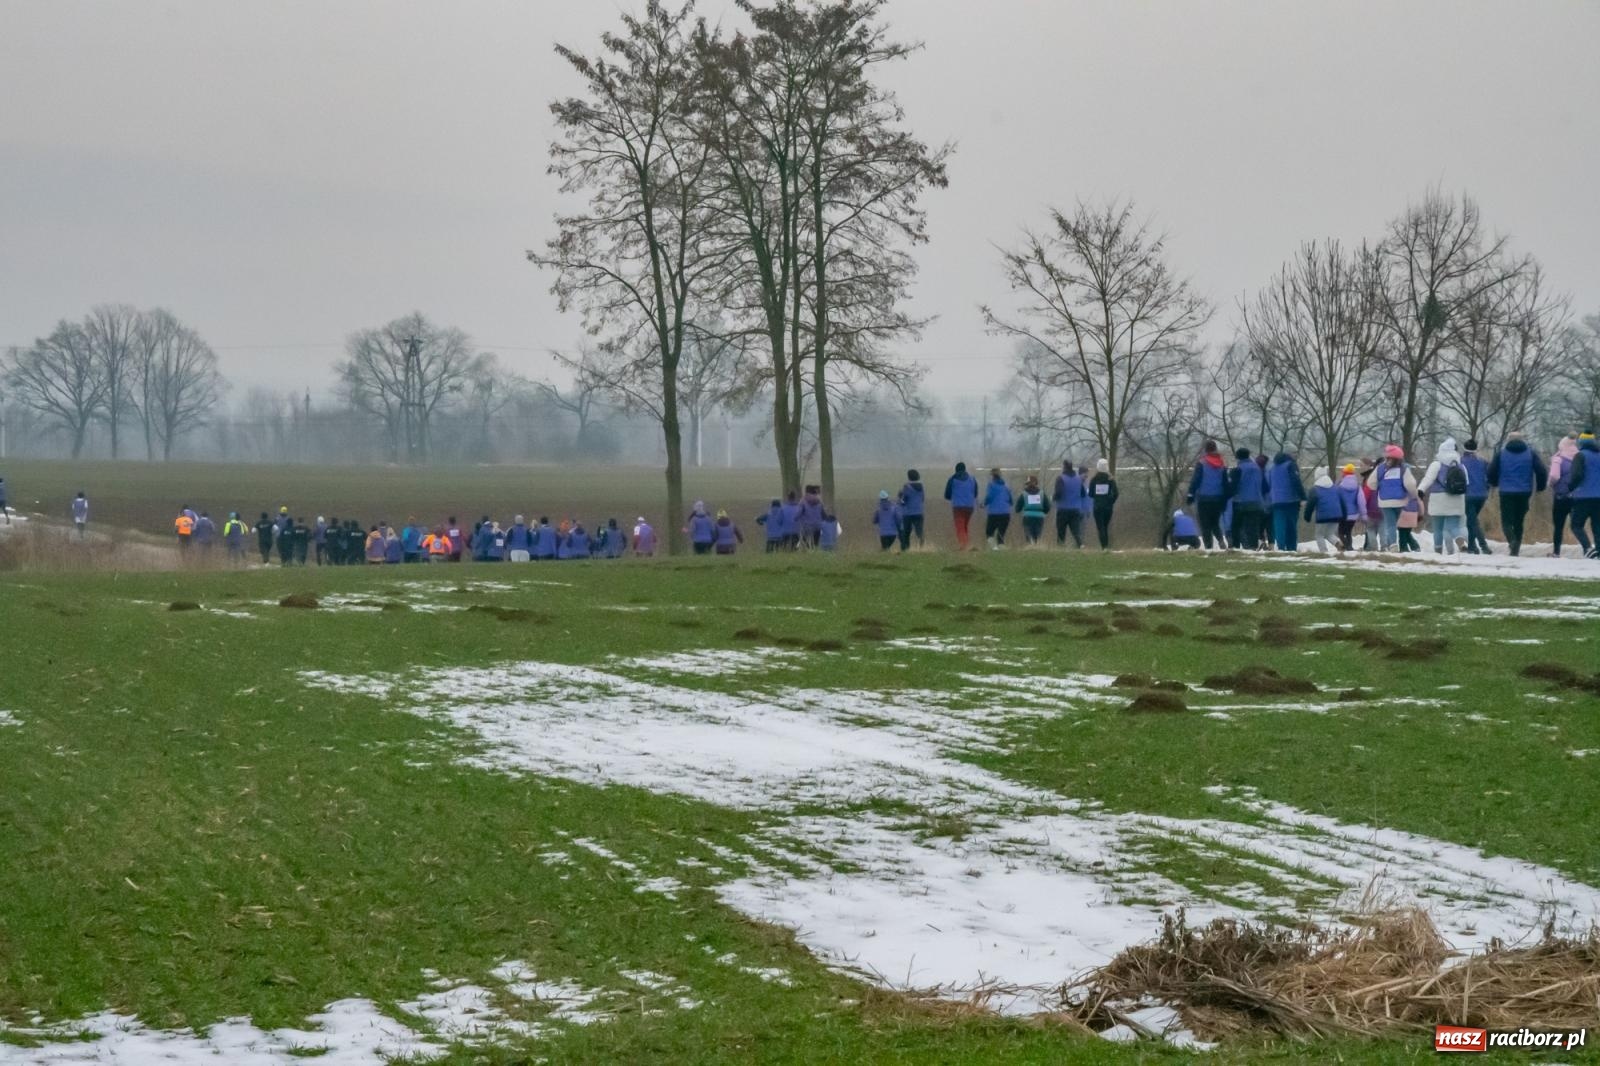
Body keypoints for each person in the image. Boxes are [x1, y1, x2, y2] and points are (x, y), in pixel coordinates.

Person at [1487, 432, 1548, 557]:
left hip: (1506, 491)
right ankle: (1516, 549)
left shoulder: (1501, 454)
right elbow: (1541, 471)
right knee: (1519, 521)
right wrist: (1541, 487)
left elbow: (1491, 470)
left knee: (1506, 521)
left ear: (1508, 440)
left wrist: (1494, 483)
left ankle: (1512, 541)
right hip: (1524, 492)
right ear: (1523, 440)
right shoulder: (1530, 453)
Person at [1417, 437, 1467, 556]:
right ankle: (1461, 542)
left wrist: (1420, 490)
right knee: (1453, 526)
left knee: (1438, 528)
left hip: (1438, 498)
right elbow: (1467, 483)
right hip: (1457, 498)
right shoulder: (1461, 466)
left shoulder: (1436, 464)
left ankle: (1438, 552)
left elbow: (1428, 479)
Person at [1366, 446, 1415, 552]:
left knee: (1390, 524)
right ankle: (1391, 543)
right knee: (1393, 523)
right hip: (1400, 500)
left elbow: (1371, 483)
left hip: (1384, 501)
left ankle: (1392, 544)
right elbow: (1410, 484)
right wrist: (1413, 494)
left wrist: (1378, 487)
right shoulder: (1404, 468)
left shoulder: (1380, 468)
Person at [1186, 439, 1232, 549]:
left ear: (1205, 449)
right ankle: (1221, 540)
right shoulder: (1222, 464)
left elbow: (1196, 480)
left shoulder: (1202, 463)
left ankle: (1209, 547)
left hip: (1203, 498)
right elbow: (1225, 483)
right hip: (1218, 498)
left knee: (1205, 524)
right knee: (1215, 523)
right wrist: (1225, 499)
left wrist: (1190, 494)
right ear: (1215, 449)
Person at [1566, 430, 1600, 559]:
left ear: (1581, 442)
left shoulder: (1580, 456)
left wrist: (1570, 487)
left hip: (1583, 496)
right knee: (1598, 526)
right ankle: (1599, 551)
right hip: (1599, 497)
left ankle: (1587, 548)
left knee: (1576, 524)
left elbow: (1576, 475)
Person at [1303, 466, 1348, 554]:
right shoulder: (1335, 488)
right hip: (1337, 515)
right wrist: (1344, 515)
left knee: (1319, 535)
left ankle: (1324, 553)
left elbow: (1310, 505)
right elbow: (1342, 502)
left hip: (1323, 516)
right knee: (1329, 534)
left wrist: (1307, 516)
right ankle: (1339, 544)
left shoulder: (1314, 489)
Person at [1267, 451, 1306, 551]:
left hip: (1276, 501)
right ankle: (1291, 548)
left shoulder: (1272, 468)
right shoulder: (1291, 465)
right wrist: (1303, 497)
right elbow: (1296, 481)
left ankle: (1281, 547)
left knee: (1279, 525)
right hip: (1291, 500)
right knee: (1291, 526)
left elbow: (1269, 484)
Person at [1228, 449, 1265, 551]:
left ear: (1237, 457)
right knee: (1252, 527)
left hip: (1240, 502)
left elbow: (1232, 487)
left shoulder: (1237, 469)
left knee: (1236, 526)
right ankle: (1253, 548)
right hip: (1257, 502)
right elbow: (1264, 486)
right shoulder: (1257, 468)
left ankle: (1236, 547)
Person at [1549, 436, 1579, 558]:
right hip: (1576, 497)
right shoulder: (1579, 458)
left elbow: (1554, 476)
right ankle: (1587, 547)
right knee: (1577, 525)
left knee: (1558, 526)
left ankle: (1556, 551)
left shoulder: (1558, 459)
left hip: (1561, 496)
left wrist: (1551, 485)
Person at [1460, 439, 1491, 554]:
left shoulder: (1461, 461)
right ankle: (1472, 546)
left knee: (1473, 521)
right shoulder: (1483, 462)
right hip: (1482, 495)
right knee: (1471, 520)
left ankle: (1484, 546)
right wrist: (1486, 489)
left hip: (1468, 494)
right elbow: (1489, 477)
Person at [944, 462, 979, 550]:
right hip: (970, 507)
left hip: (958, 507)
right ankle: (966, 545)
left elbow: (947, 495)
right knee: (965, 526)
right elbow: (975, 494)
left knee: (960, 527)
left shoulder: (952, 479)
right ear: (965, 469)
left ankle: (964, 546)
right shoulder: (972, 479)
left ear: (956, 470)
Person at [1052, 460, 1085, 548]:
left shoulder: (1060, 478)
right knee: (1075, 530)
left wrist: (1054, 497)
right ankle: (1080, 545)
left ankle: (1061, 547)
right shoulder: (1078, 479)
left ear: (1064, 467)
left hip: (1063, 509)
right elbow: (1083, 494)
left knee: (1061, 531)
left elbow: (1058, 493)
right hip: (1075, 509)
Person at [1088, 460, 1118, 550]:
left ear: (1098, 467)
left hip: (1097, 507)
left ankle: (1104, 547)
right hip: (1108, 508)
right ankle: (1105, 547)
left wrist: (1097, 497)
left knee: (1100, 527)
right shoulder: (1111, 479)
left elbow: (1090, 494)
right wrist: (1110, 502)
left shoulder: (1094, 480)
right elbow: (1116, 493)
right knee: (1105, 527)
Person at [1014, 475, 1050, 545]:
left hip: (1027, 517)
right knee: (1038, 535)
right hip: (1039, 517)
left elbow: (1017, 509)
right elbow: (1048, 507)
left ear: (1027, 484)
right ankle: (1037, 547)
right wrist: (1043, 512)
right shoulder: (1042, 493)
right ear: (1036, 483)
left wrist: (1019, 510)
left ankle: (1030, 546)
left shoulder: (1024, 494)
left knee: (1029, 534)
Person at [983, 468, 1013, 549]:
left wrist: (983, 504)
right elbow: (1011, 500)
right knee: (1001, 534)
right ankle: (1001, 548)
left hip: (994, 513)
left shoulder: (991, 485)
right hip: (1006, 513)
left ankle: (994, 549)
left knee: (989, 532)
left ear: (992, 476)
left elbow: (989, 497)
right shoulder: (1006, 487)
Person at [1335, 464, 1362, 551]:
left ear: (1344, 474)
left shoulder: (1340, 486)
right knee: (1348, 532)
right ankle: (1349, 547)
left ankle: (1347, 547)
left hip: (1343, 513)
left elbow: (1336, 499)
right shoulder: (1357, 486)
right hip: (1354, 514)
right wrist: (1362, 513)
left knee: (1340, 533)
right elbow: (1361, 500)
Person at [897, 470, 926, 551]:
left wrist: (900, 496)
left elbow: (903, 501)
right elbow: (922, 498)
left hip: (908, 513)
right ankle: (922, 547)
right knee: (919, 531)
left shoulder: (906, 486)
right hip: (919, 512)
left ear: (909, 477)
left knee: (906, 533)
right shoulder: (921, 486)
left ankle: (905, 549)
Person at [1397, 488, 1424, 553]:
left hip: (1403, 516)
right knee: (1407, 533)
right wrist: (1420, 515)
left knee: (1402, 534)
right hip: (1413, 516)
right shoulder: (1416, 497)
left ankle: (1404, 548)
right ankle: (1415, 547)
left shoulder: (1402, 494)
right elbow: (1421, 507)